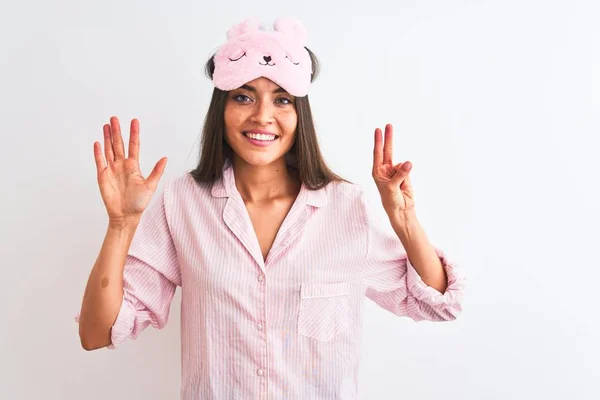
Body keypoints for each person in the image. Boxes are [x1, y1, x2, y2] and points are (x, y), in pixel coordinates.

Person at [75, 16, 466, 399]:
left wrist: (404, 220)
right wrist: (121, 225)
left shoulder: (345, 208)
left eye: (281, 100)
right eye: (243, 96)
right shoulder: (183, 204)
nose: (262, 115)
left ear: (299, 116)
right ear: (221, 110)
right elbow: (96, 333)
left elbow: (438, 305)